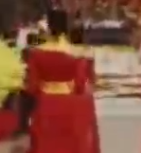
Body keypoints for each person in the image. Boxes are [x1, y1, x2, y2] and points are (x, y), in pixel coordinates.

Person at [26, 9, 92, 153]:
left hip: (46, 104)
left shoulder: (36, 53)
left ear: (49, 27)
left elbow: (32, 86)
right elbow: (80, 85)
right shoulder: (76, 53)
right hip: (69, 105)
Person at [69, 25, 100, 153]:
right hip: (85, 91)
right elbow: (91, 74)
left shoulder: (67, 51)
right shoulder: (88, 51)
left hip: (69, 89)